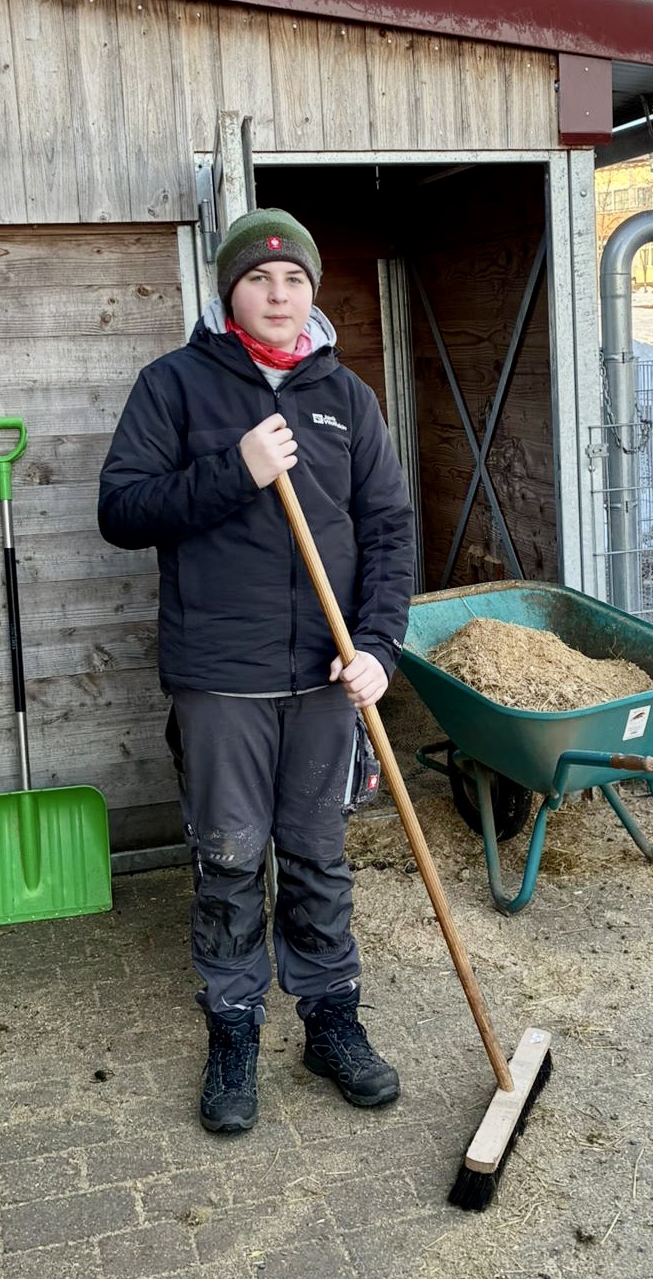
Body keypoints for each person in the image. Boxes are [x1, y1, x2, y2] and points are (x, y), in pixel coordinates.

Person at [98, 208, 415, 1135]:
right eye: (260, 279)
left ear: (312, 292)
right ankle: (233, 1026)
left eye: (295, 280)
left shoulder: (347, 397)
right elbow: (122, 511)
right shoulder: (175, 386)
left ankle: (331, 1021)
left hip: (325, 675)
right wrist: (234, 469)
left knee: (317, 854)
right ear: (229, 291)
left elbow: (389, 530)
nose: (280, 295)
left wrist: (379, 648)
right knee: (231, 857)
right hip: (221, 676)